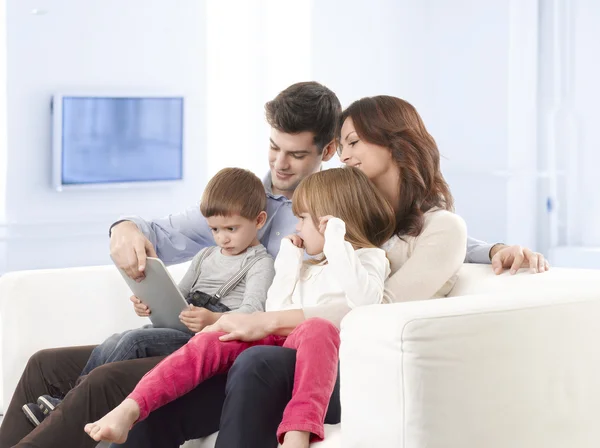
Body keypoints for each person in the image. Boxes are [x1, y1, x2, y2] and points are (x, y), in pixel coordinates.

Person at [0, 82, 545, 448]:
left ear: (327, 151)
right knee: (49, 362)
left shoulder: (356, 214)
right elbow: (176, 230)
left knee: (115, 371)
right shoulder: (264, 199)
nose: (280, 166)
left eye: (302, 154)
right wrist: (125, 227)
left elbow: (414, 261)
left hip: (283, 343)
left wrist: (495, 249)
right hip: (238, 332)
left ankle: (76, 409)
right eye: (273, 149)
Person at [84, 167, 396, 448]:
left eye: (302, 219)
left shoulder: (367, 259)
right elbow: (276, 306)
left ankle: (299, 428)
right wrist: (289, 261)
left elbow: (363, 301)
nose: (297, 227)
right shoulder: (306, 265)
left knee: (317, 327)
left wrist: (336, 241)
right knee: (210, 338)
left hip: (316, 347)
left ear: (331, 223)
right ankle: (132, 406)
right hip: (282, 340)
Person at [19, 167, 275, 427]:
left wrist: (213, 318)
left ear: (259, 220)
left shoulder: (260, 263)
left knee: (133, 341)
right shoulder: (206, 256)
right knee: (116, 340)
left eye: (231, 228)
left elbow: (253, 313)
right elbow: (180, 294)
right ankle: (66, 401)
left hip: (208, 339)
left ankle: (65, 407)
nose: (222, 238)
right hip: (183, 326)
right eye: (214, 230)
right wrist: (152, 302)